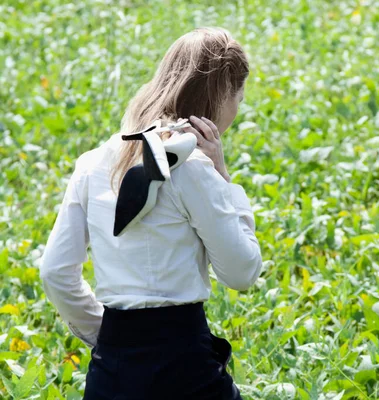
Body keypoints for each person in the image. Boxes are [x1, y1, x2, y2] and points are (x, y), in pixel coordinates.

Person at [38, 27, 261, 400]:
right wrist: (224, 179)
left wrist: (106, 333)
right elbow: (241, 272)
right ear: (223, 96)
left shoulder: (92, 164)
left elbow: (56, 273)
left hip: (111, 373)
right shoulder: (194, 169)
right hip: (186, 370)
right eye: (238, 97)